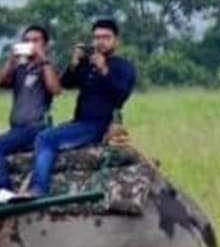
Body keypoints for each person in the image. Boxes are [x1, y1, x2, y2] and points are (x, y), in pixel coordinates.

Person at [22, 18, 137, 200]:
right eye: (96, 37)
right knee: (45, 135)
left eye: (106, 37)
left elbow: (121, 95)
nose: (100, 41)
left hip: (98, 124)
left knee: (45, 138)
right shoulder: (87, 64)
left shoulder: (122, 66)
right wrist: (74, 63)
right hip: (80, 122)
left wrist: (104, 69)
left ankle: (39, 188)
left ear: (116, 41)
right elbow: (66, 83)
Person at [0, 24, 62, 204]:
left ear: (45, 45)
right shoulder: (20, 69)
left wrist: (43, 60)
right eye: (27, 41)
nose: (31, 44)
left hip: (36, 126)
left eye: (36, 40)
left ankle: (4, 188)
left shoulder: (47, 68)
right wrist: (11, 60)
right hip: (18, 128)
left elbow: (55, 89)